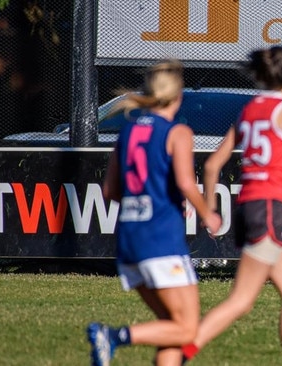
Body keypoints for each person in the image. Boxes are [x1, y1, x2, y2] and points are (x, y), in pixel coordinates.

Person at [180, 46, 282, 366]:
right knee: (241, 301)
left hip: (250, 206)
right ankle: (180, 353)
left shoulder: (248, 111)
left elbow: (211, 165)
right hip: (269, 207)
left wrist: (210, 209)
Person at [86, 59, 222, 366]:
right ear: (179, 96)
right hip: (160, 239)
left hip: (129, 240)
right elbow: (187, 182)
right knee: (187, 328)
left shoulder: (128, 131)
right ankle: (114, 336)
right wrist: (207, 213)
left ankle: (115, 337)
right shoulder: (178, 132)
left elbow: (110, 191)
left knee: (170, 326)